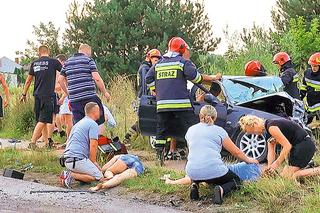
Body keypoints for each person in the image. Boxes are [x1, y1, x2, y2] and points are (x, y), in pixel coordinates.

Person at [146, 37, 222, 165]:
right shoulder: (182, 62)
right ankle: (194, 156)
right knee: (192, 129)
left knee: (161, 131)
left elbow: (148, 78)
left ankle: (159, 159)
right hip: (181, 104)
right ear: (181, 49)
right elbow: (197, 78)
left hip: (163, 105)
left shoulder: (159, 64)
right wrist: (213, 78)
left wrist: (156, 90)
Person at [185, 105, 258, 204]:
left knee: (199, 166)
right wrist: (249, 160)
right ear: (215, 118)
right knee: (236, 180)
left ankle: (195, 185)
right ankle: (221, 189)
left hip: (192, 171)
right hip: (214, 171)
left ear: (200, 116)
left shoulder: (190, 130)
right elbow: (235, 152)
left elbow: (192, 151)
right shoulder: (219, 131)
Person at [239, 115, 316, 179]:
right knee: (283, 177)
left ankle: (315, 170)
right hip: (298, 147)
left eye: (253, 131)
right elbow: (271, 151)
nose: (255, 134)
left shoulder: (271, 127)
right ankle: (306, 167)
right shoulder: (267, 129)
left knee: (289, 177)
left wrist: (276, 163)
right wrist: (270, 169)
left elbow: (287, 146)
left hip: (304, 146)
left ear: (255, 123)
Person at [20, 45, 62, 149]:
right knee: (44, 120)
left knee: (41, 119)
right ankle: (32, 143)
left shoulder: (34, 63)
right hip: (48, 95)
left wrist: (24, 94)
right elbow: (65, 71)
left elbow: (28, 80)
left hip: (37, 95)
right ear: (49, 51)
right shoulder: (54, 62)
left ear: (39, 52)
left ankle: (47, 143)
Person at [58, 44, 111, 126]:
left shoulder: (67, 62)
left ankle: (82, 138)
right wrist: (105, 92)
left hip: (75, 100)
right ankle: (96, 137)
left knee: (79, 125)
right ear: (88, 52)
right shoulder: (88, 60)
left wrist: (68, 93)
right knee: (98, 120)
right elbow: (97, 78)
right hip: (89, 97)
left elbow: (60, 80)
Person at [60, 102, 104, 188]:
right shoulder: (93, 124)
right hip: (77, 160)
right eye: (99, 110)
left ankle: (72, 174)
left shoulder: (78, 124)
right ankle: (70, 175)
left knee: (93, 174)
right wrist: (93, 162)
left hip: (67, 159)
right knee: (99, 177)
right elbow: (93, 145)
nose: (100, 112)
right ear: (94, 111)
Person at [123, 49, 161, 144]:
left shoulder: (144, 67)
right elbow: (146, 84)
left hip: (143, 98)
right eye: (155, 60)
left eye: (158, 60)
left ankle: (127, 139)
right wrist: (151, 94)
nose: (157, 63)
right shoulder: (145, 68)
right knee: (143, 121)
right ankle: (127, 139)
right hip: (145, 98)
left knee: (143, 121)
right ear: (149, 59)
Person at [164, 162, 264, 185]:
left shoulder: (254, 165)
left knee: (195, 178)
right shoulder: (256, 175)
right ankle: (171, 182)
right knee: (197, 178)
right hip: (224, 173)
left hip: (223, 169)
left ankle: (171, 182)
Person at [56, 54, 73, 138]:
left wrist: (63, 97)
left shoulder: (66, 70)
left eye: (58, 62)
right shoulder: (63, 71)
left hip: (67, 98)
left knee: (68, 120)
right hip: (65, 97)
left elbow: (68, 86)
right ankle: (67, 137)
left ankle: (69, 140)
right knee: (63, 119)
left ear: (62, 61)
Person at [300, 52, 320, 124]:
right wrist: (301, 95)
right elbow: (304, 85)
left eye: (315, 66)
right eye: (312, 65)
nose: (313, 68)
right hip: (310, 104)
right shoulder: (307, 73)